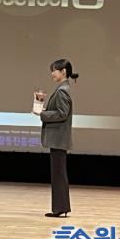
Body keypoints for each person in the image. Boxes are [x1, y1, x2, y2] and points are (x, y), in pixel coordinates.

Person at [33, 58, 79, 218]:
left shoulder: (62, 90)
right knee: (59, 173)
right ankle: (61, 207)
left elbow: (62, 113)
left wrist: (43, 114)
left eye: (54, 70)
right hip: (59, 138)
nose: (52, 73)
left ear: (63, 71)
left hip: (58, 138)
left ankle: (60, 207)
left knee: (58, 174)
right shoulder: (63, 88)